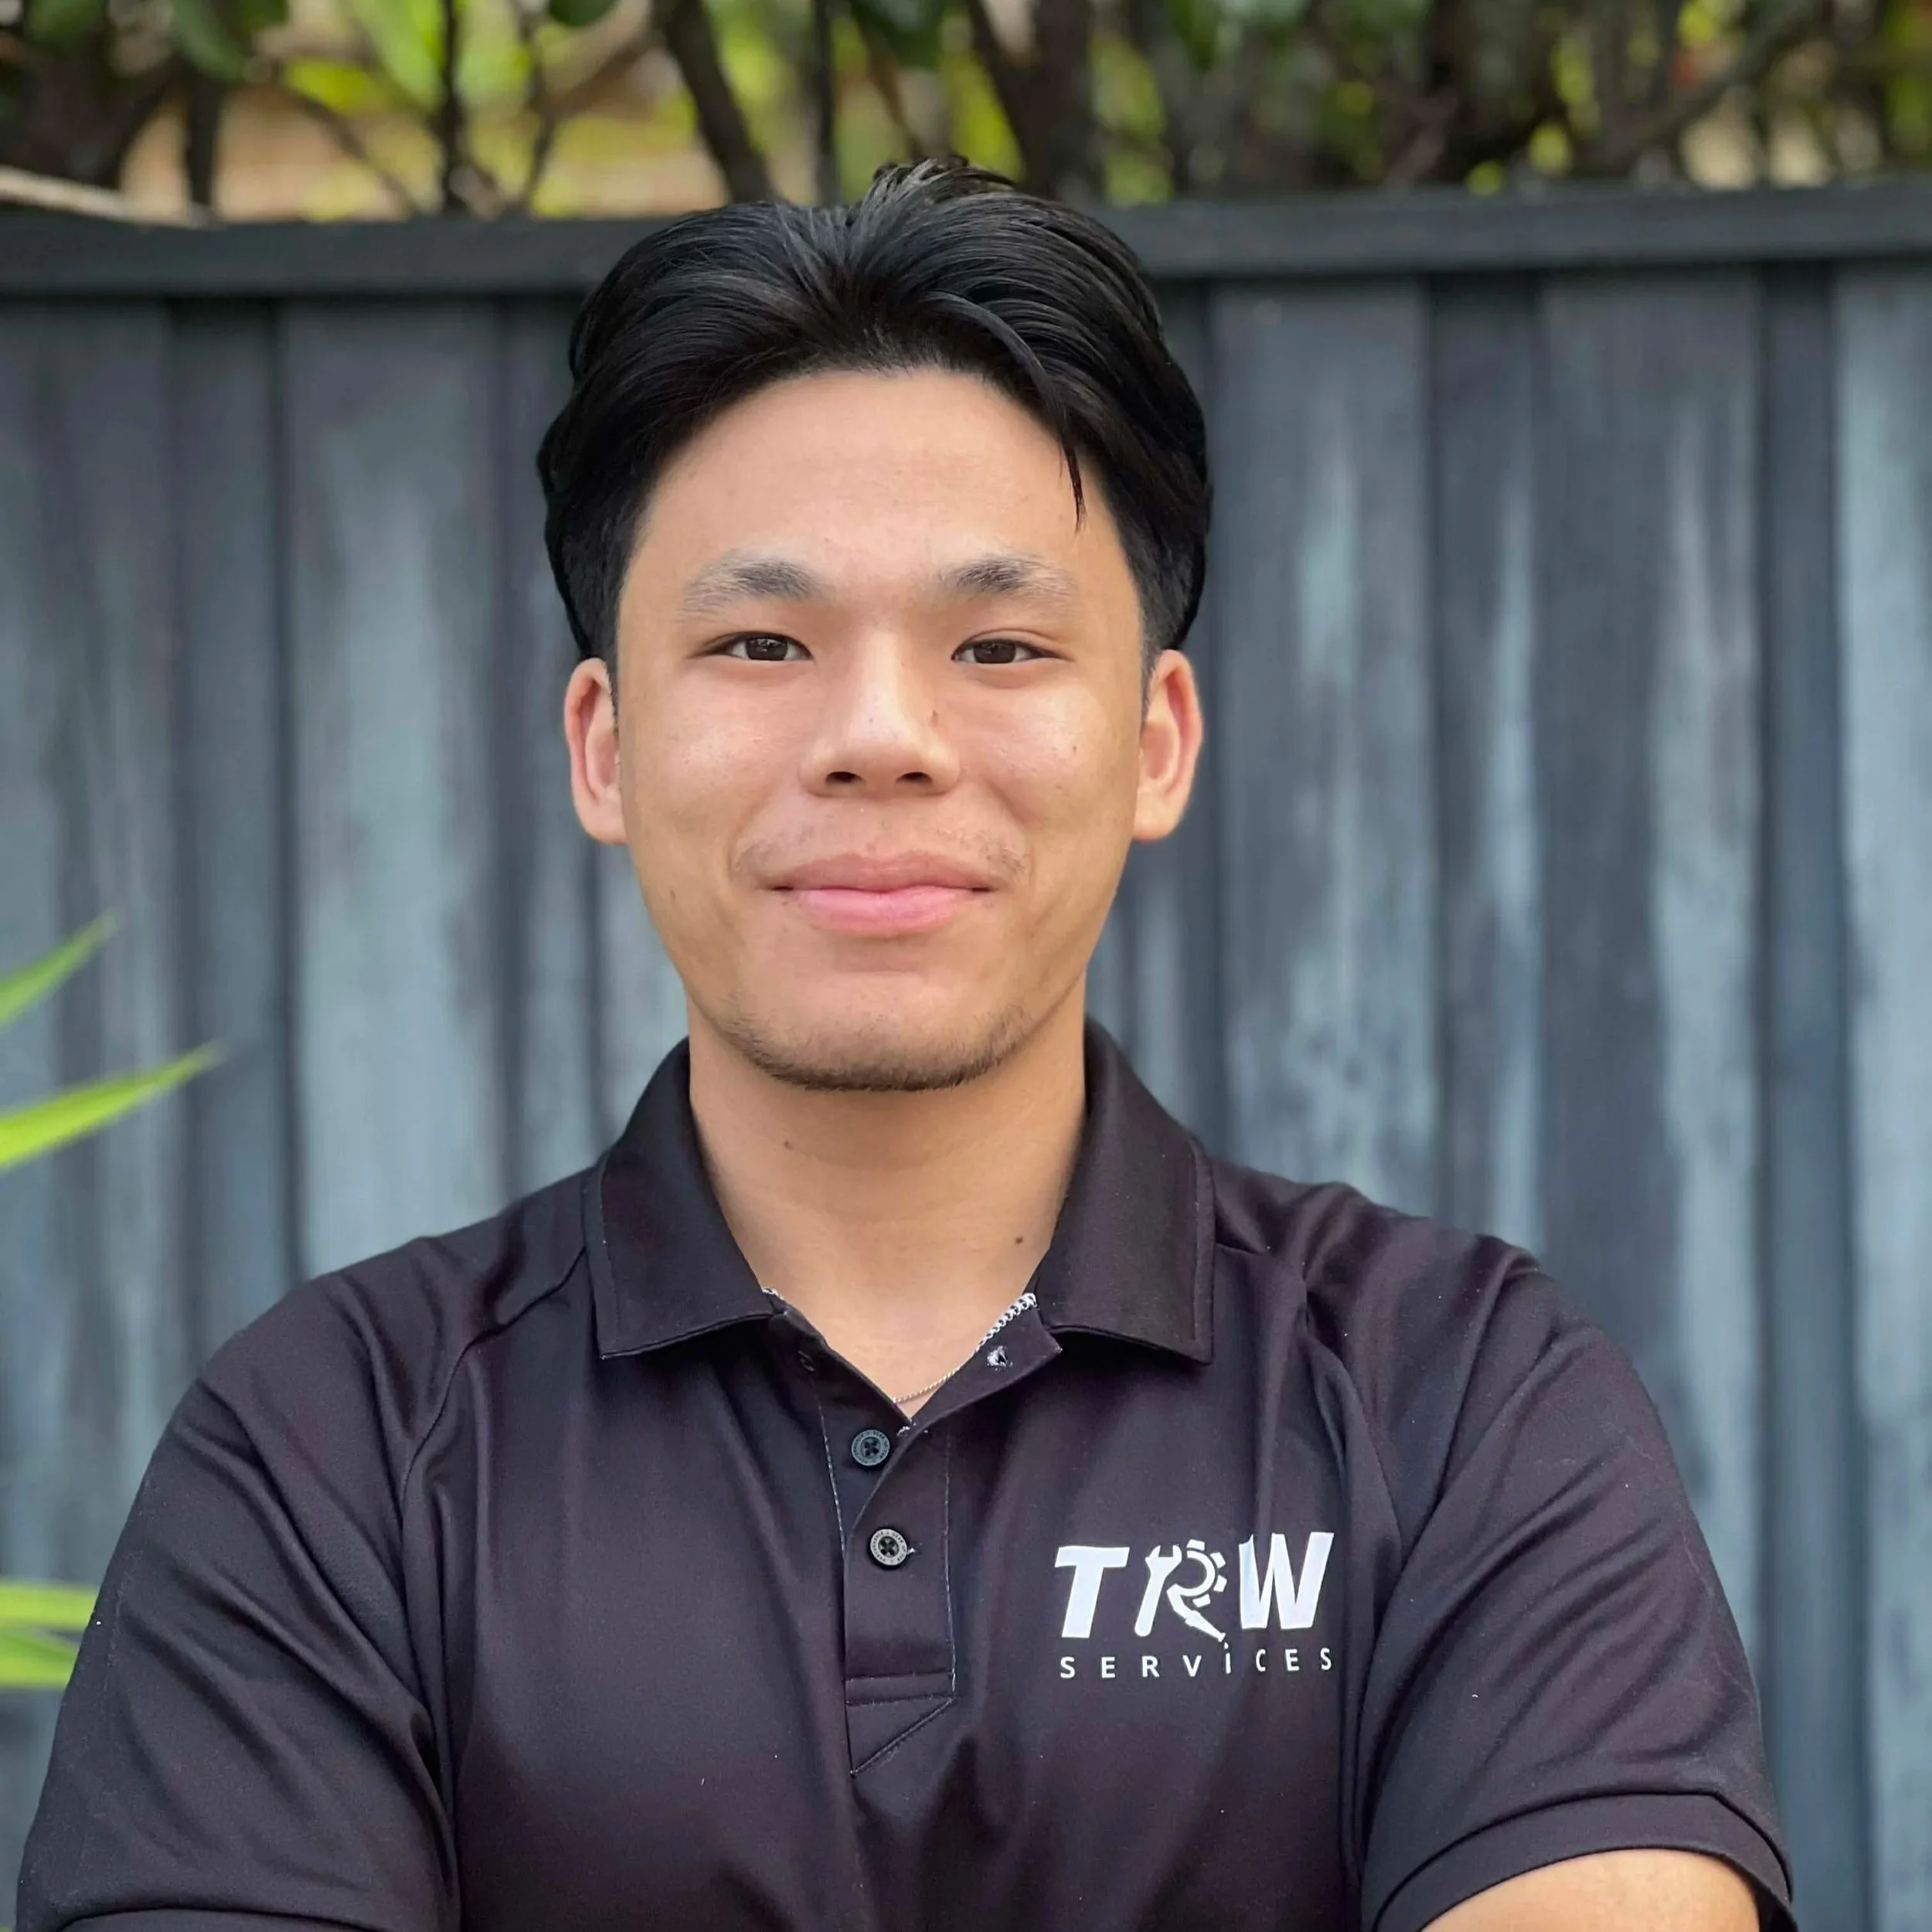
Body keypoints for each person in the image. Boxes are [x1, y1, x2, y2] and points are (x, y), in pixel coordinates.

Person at [18, 158, 1793, 1932]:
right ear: (603, 746)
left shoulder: (1461, 1401)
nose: (881, 735)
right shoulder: (329, 1454)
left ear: (1157, 741)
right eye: (762, 639)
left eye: (999, 642)